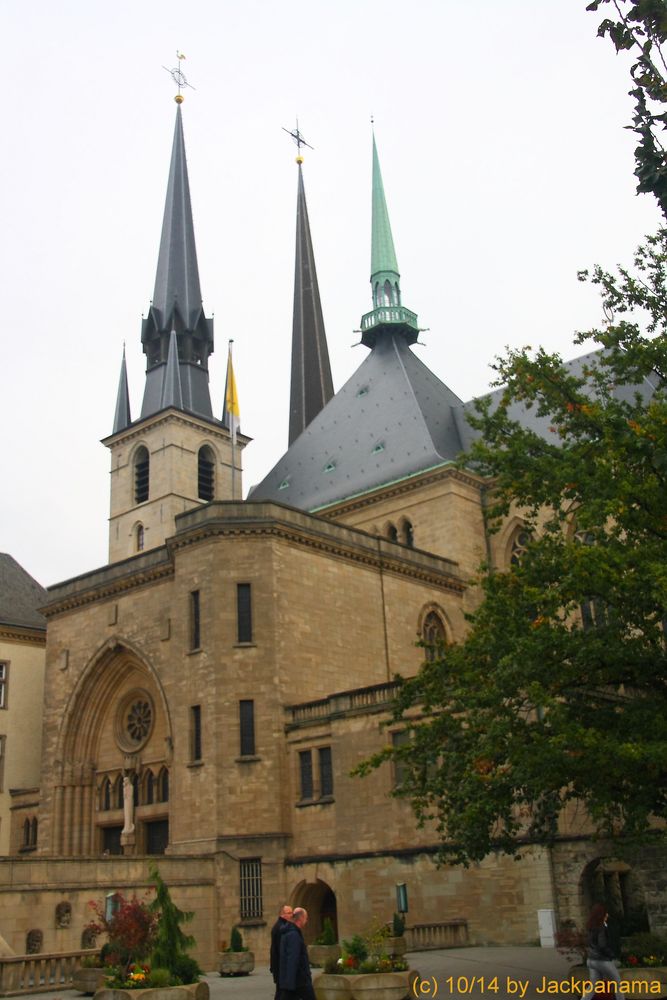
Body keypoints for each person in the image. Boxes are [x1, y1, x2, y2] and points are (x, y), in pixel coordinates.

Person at [582, 903, 621, 1000]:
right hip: (602, 960)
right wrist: (611, 955)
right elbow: (602, 945)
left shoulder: (590, 927)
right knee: (618, 983)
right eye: (605, 913)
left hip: (591, 960)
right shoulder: (601, 927)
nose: (607, 915)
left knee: (593, 986)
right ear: (601, 914)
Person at [279, 906, 315, 1000]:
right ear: (301, 918)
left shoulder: (289, 932)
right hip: (299, 980)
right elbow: (292, 958)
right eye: (306, 918)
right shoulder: (293, 935)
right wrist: (290, 984)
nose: (306, 921)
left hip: (294, 980)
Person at [270, 903, 293, 1000]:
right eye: (289, 913)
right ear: (282, 914)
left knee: (281, 992)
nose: (292, 915)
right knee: (281, 992)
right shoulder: (281, 928)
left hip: (279, 966)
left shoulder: (281, 925)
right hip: (280, 966)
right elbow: (280, 949)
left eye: (292, 912)